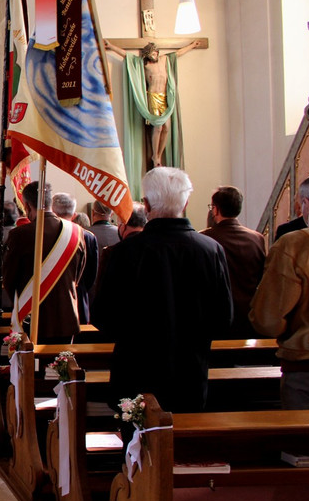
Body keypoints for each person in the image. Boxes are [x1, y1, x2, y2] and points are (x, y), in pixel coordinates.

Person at [93, 168, 232, 413]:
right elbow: (223, 318)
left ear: (146, 205)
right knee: (185, 436)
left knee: (137, 436)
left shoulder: (125, 252)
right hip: (189, 374)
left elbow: (103, 316)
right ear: (186, 203)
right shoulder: (211, 250)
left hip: (136, 372)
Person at [250, 173, 309, 409]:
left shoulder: (295, 244)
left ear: (307, 205)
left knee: (303, 433)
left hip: (308, 370)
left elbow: (268, 320)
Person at [3, 182, 86, 344]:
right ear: (50, 202)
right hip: (66, 317)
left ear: (27, 206)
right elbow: (78, 274)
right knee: (63, 360)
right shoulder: (76, 232)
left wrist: (23, 301)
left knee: (31, 361)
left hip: (32, 317)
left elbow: (9, 279)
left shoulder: (19, 235)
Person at [105, 39, 200, 169]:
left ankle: (159, 154)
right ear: (148, 54)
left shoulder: (165, 60)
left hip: (165, 98)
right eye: (152, 53)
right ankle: (155, 155)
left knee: (166, 128)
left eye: (156, 53)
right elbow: (127, 56)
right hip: (153, 97)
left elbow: (178, 53)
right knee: (158, 127)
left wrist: (192, 45)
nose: (155, 55)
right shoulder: (145, 65)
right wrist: (111, 46)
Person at [200, 186, 266, 339]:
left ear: (215, 210)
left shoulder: (205, 239)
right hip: (250, 316)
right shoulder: (257, 238)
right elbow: (262, 278)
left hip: (217, 317)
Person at [51, 192, 98, 324]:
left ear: (52, 211)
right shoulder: (88, 237)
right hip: (78, 299)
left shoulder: (44, 235)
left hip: (50, 301)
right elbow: (91, 276)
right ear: (74, 215)